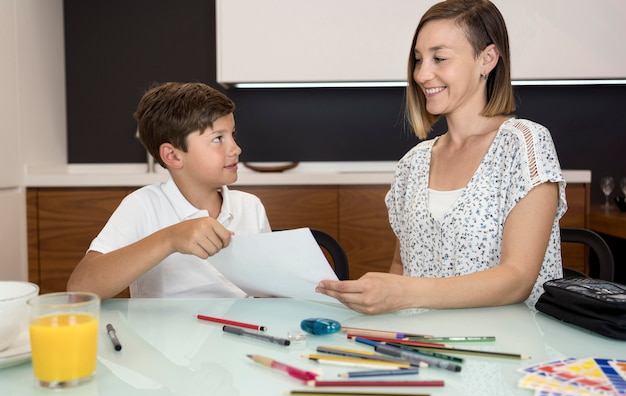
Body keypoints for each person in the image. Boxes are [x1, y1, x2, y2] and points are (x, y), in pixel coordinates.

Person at [316, 0, 567, 314]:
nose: (422, 74)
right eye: (419, 60)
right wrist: (382, 312)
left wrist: (404, 293)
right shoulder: (413, 163)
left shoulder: (523, 144)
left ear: (487, 59)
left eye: (439, 58)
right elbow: (401, 265)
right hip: (423, 348)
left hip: (509, 351)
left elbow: (517, 280)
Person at [67, 82, 271, 299]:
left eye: (232, 135)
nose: (236, 149)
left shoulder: (251, 207)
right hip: (162, 332)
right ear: (173, 156)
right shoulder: (143, 205)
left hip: (239, 331)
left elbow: (271, 290)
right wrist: (170, 239)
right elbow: (80, 290)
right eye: (218, 138)